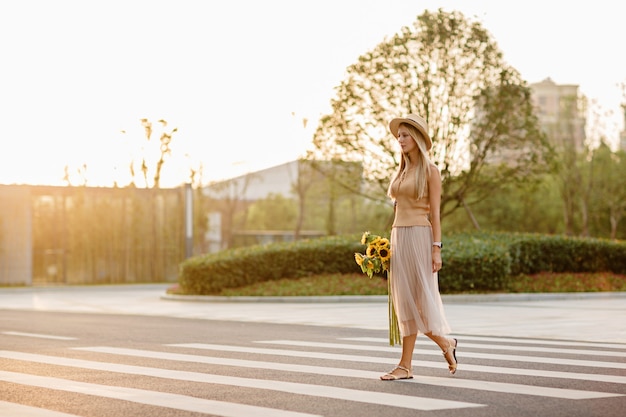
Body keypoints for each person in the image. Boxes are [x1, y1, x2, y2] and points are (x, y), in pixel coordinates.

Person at [380, 113, 457, 381]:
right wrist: (385, 246)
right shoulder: (401, 171)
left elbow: (435, 214)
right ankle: (420, 358)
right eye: (398, 135)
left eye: (405, 135)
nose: (400, 140)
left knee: (419, 303)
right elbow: (397, 210)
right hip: (399, 237)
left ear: (418, 138)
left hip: (420, 237)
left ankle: (411, 361)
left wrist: (437, 248)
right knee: (404, 303)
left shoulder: (430, 171)